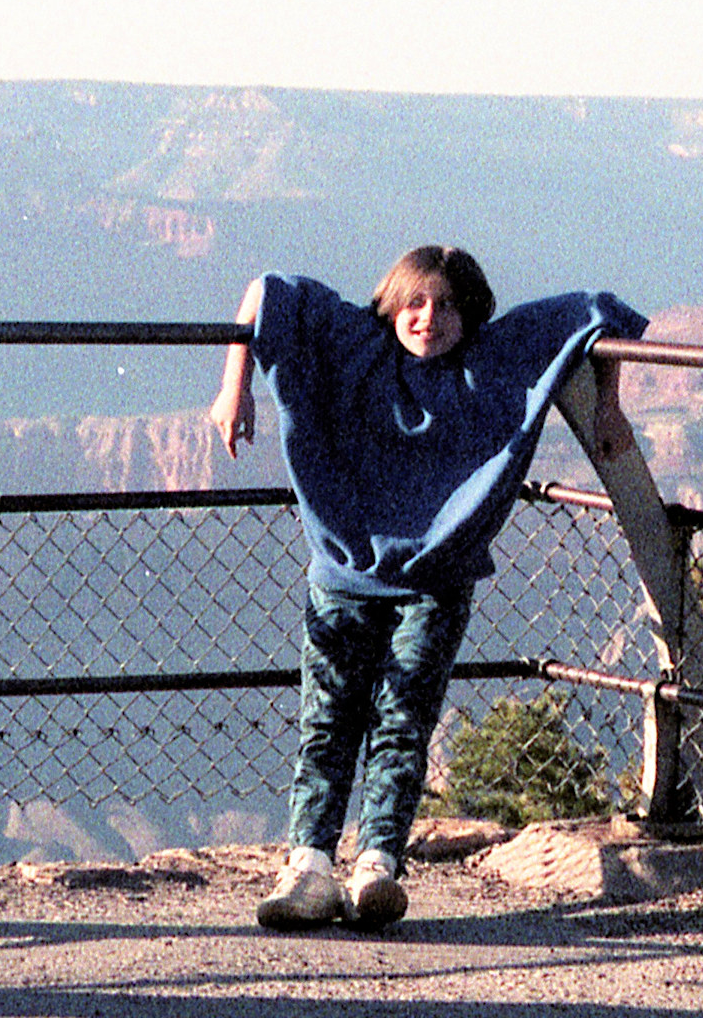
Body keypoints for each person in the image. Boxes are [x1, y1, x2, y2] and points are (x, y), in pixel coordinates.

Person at [209, 245, 646, 931]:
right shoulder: (357, 343)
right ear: (391, 303)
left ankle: (377, 866)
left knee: (403, 722)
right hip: (344, 573)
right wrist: (232, 386)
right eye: (414, 302)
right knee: (327, 722)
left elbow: (601, 314)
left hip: (436, 581)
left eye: (445, 305)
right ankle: (309, 868)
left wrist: (609, 407)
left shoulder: (493, 361)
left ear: (471, 312)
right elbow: (266, 290)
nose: (428, 318)